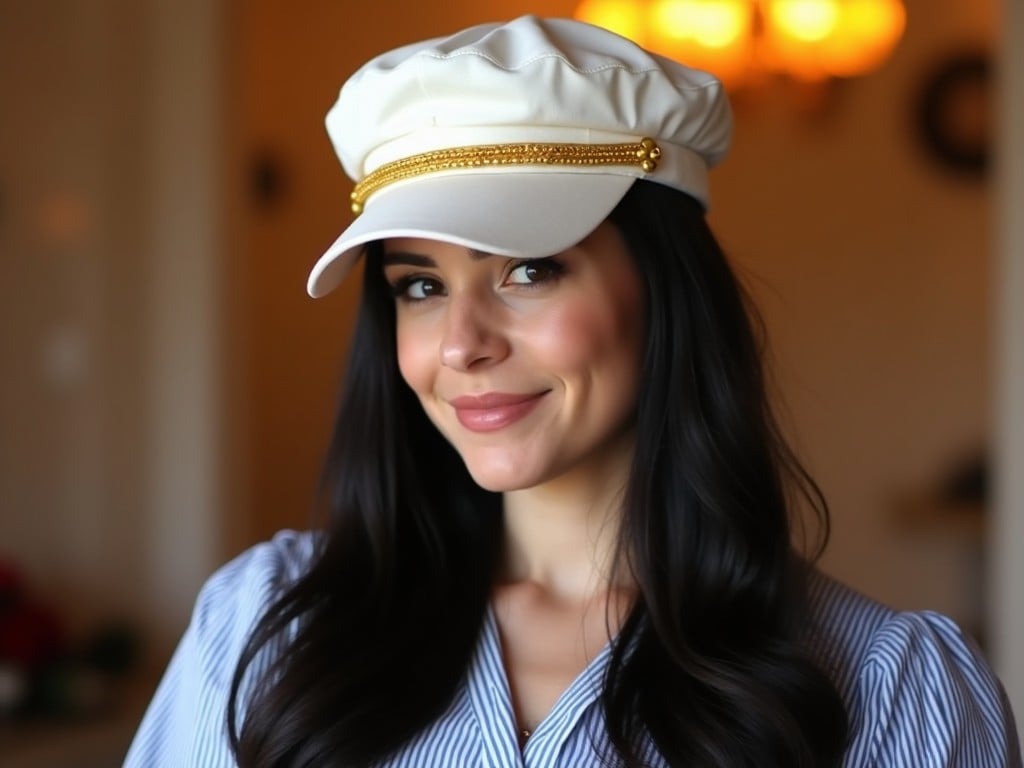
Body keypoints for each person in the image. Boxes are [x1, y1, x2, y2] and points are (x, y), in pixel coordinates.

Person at [124, 15, 1021, 767]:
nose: (462, 345)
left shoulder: (892, 687)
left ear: (665, 289)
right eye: (420, 285)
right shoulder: (261, 627)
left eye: (528, 270)